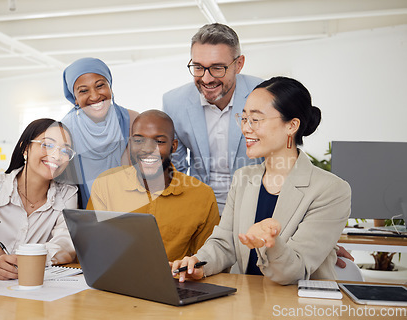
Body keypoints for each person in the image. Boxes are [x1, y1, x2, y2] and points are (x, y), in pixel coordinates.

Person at [171, 77, 351, 285]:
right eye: (244, 118)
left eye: (256, 120)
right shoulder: (243, 178)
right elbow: (224, 243)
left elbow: (295, 272)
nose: (246, 128)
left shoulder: (331, 190)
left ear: (292, 125)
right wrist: (198, 265)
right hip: (245, 301)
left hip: (297, 308)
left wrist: (271, 244)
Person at [87, 110, 220, 261]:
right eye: (138, 141)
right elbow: (91, 249)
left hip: (174, 282)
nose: (147, 149)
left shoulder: (202, 195)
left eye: (159, 141)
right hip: (113, 282)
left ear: (174, 146)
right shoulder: (106, 184)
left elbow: (208, 261)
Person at [0, 119, 78, 280]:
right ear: (25, 148)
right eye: (47, 145)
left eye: (65, 151)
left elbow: (65, 245)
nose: (56, 155)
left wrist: (25, 259)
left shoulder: (67, 195)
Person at [163, 23, 263, 214]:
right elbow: (177, 168)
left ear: (239, 64)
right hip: (201, 206)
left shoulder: (264, 93)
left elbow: (278, 159)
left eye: (217, 68)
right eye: (198, 67)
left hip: (256, 205)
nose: (207, 79)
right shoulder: (174, 103)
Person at [61, 57, 138, 208]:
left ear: (110, 86)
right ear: (75, 98)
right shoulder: (64, 130)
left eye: (100, 86)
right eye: (83, 91)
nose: (95, 96)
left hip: (131, 211)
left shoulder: (133, 120)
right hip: (85, 216)